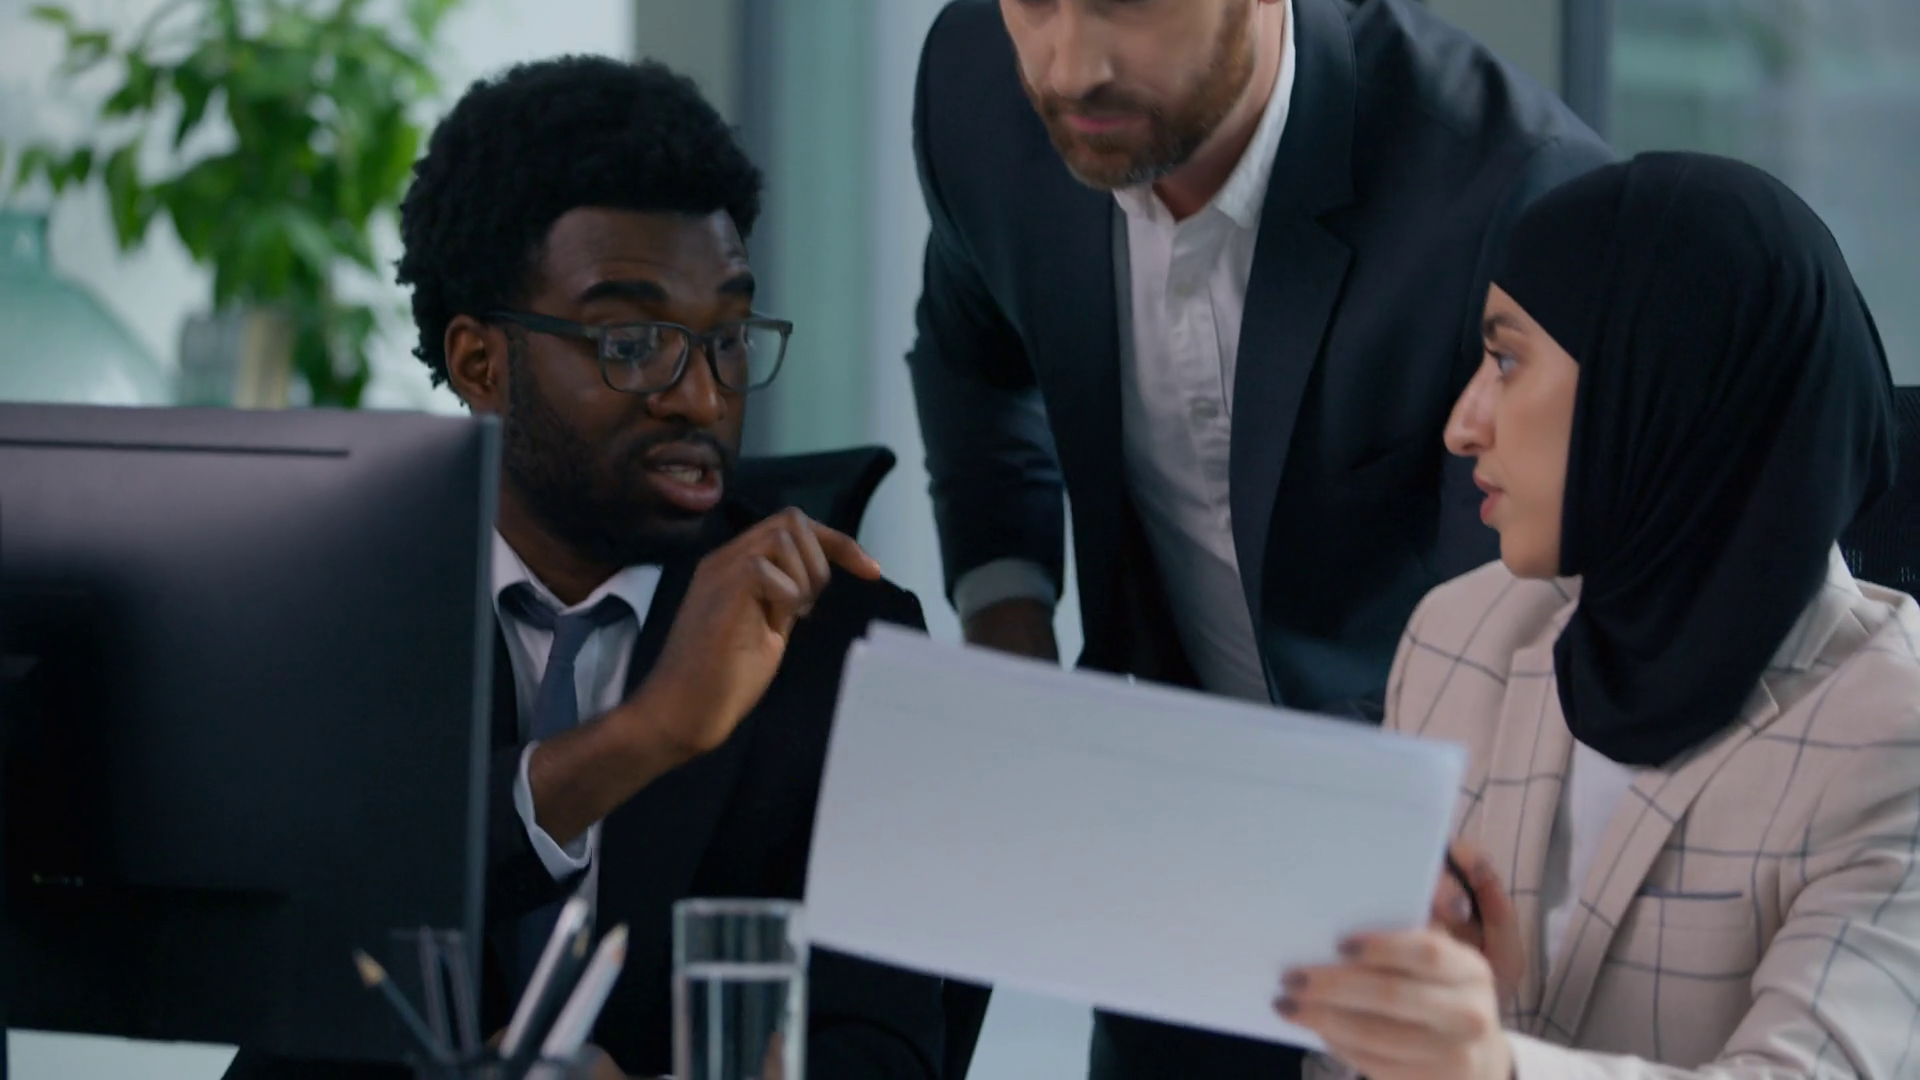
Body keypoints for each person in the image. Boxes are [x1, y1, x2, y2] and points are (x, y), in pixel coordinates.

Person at [908, 0, 1611, 1075]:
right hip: (1168, 870)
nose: (1069, 66)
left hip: (1448, 888)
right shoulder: (979, 91)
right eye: (1036, 2)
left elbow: (1541, 631)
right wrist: (1012, 641)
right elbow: (973, 357)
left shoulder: (1508, 188)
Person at [223, 57, 943, 1080]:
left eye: (727, 336)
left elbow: (890, 1049)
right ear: (480, 364)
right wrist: (645, 733)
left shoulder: (839, 642)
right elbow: (302, 979)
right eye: (633, 342)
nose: (702, 398)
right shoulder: (345, 620)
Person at [1278, 152, 1920, 1080]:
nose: (1463, 424)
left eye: (1507, 360)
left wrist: (1490, 1066)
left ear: (1662, 387)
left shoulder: (1893, 739)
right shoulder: (1457, 637)